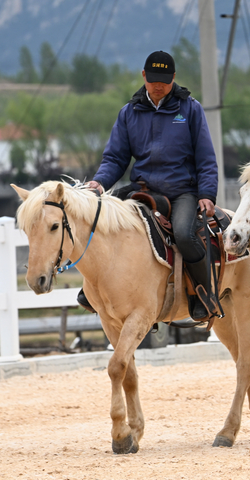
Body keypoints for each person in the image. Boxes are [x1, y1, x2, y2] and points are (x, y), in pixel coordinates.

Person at [83, 50, 219, 321]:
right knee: (99, 222)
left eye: (165, 80)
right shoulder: (128, 113)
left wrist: (206, 194)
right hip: (143, 189)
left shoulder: (191, 109)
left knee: (184, 234)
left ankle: (203, 293)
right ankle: (90, 290)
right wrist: (99, 182)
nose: (159, 86)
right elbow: (115, 158)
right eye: (154, 79)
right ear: (144, 76)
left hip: (182, 191)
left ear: (174, 78)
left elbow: (206, 157)